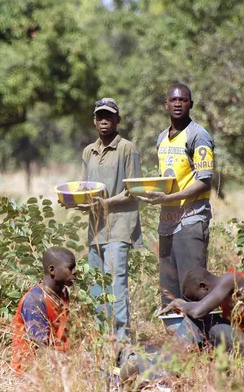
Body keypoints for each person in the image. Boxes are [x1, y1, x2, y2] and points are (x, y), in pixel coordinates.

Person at [138, 83, 214, 306]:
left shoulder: (198, 136)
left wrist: (167, 198)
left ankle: (201, 338)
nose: (178, 104)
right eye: (173, 100)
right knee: (169, 291)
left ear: (191, 104)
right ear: (166, 105)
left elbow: (204, 182)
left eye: (183, 100)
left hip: (191, 222)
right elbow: (166, 180)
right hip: (167, 224)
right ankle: (176, 339)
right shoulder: (162, 138)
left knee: (193, 288)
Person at [79, 97, 143, 341]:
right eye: (100, 116)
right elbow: (84, 188)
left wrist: (105, 203)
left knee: (116, 281)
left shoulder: (128, 148)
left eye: (109, 116)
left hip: (119, 226)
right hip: (96, 228)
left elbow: (134, 190)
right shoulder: (89, 151)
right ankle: (101, 336)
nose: (104, 120)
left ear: (118, 120)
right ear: (94, 121)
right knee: (96, 283)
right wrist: (77, 202)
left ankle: (122, 339)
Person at [159, 267, 244, 351]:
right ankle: (161, 365)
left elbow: (198, 311)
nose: (202, 303)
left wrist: (179, 303)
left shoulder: (231, 279)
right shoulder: (226, 294)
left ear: (203, 287)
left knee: (199, 320)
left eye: (199, 299)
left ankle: (161, 369)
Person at [11, 246, 77, 373]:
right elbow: (41, 350)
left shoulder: (62, 293)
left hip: (58, 362)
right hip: (32, 370)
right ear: (52, 270)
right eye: (70, 268)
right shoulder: (35, 300)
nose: (75, 272)